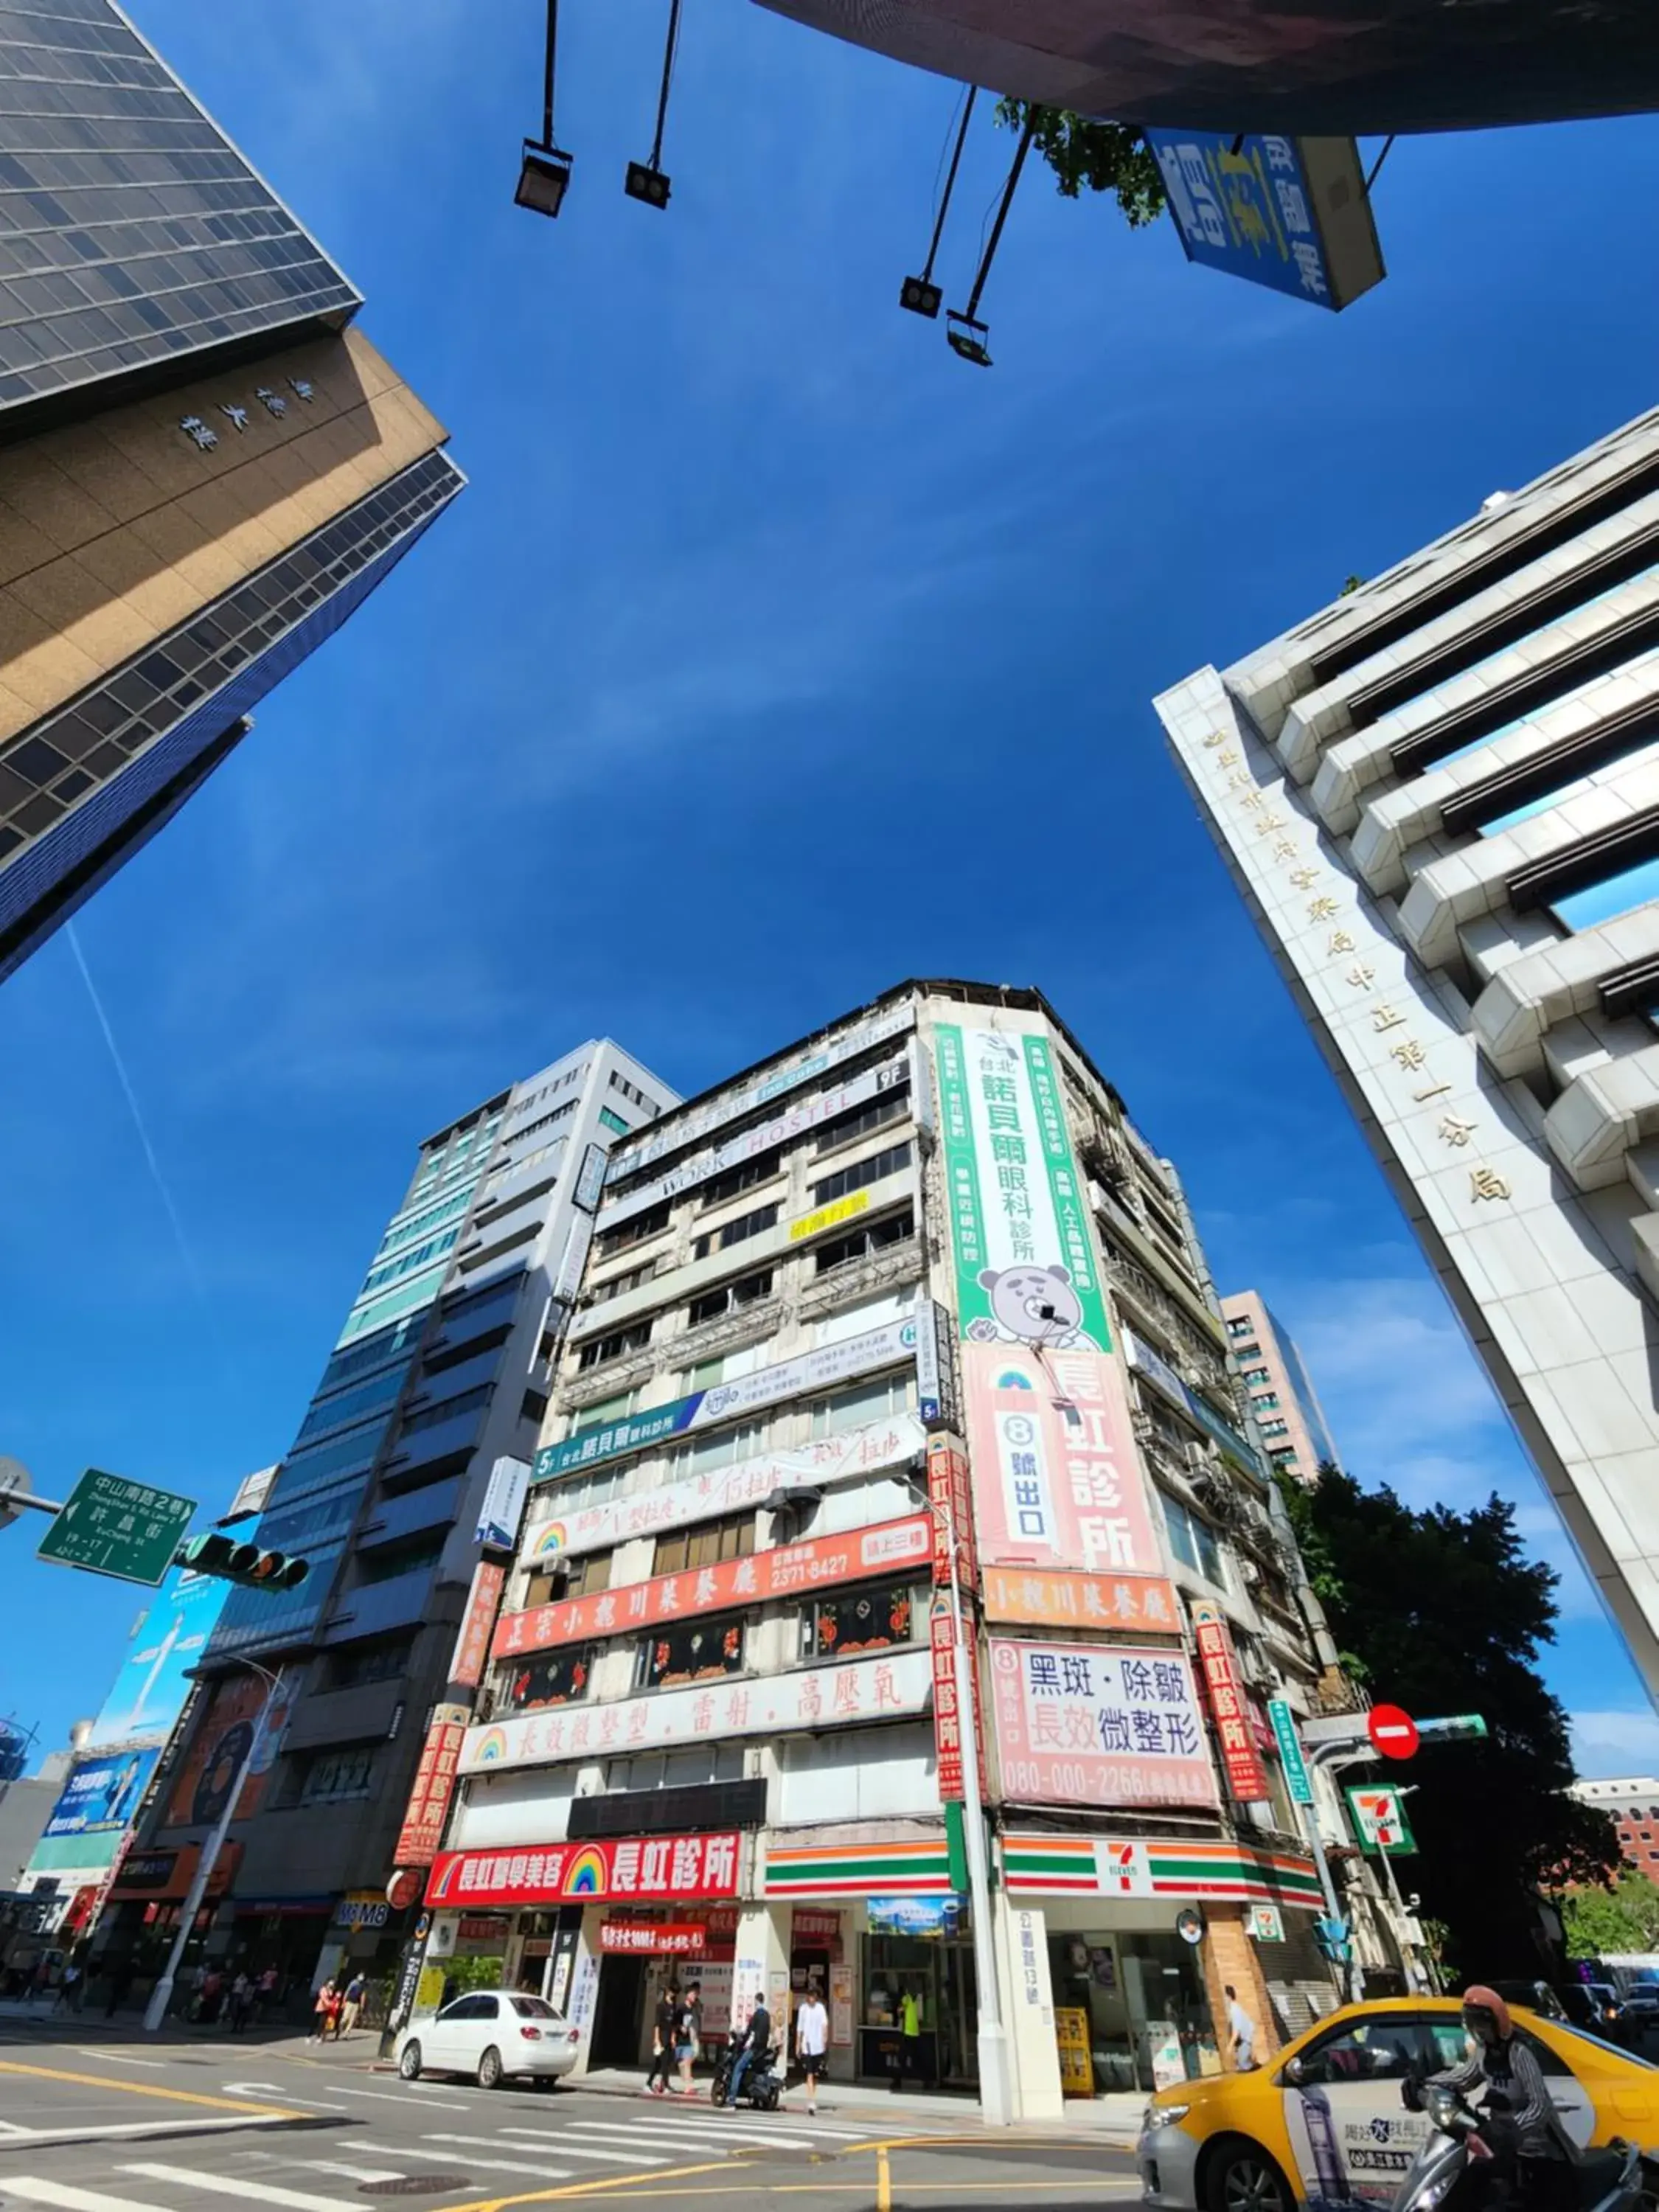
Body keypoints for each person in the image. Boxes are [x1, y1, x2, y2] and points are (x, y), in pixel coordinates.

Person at [1434, 1985, 1573, 2212]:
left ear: (1497, 2022)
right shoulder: (1484, 2053)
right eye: (1474, 2023)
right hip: (1501, 2147)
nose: (1479, 2029)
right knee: (1465, 2190)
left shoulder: (1519, 2053)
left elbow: (1540, 2105)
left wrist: (1511, 2128)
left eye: (1483, 2023)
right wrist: (1426, 2082)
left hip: (1537, 2149)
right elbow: (1464, 2077)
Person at [726, 1992, 771, 2109]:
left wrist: (742, 2041)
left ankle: (732, 2099)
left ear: (756, 2001)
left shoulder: (756, 2015)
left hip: (754, 2049)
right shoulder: (767, 2015)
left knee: (738, 2068)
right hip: (762, 2049)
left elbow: (749, 2033)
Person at [795, 1986, 829, 2116]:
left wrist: (825, 2041)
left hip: (818, 2046)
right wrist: (798, 2045)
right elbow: (800, 2028)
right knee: (809, 2074)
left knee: (815, 2075)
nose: (812, 1999)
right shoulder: (803, 2009)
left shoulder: (820, 2008)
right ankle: (811, 2100)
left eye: (814, 1997)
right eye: (810, 1997)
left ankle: (812, 2096)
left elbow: (825, 2025)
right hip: (807, 2045)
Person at [644, 1983, 678, 2097]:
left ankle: (650, 2083)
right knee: (663, 2063)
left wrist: (673, 2038)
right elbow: (657, 2024)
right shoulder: (661, 2006)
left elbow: (673, 2024)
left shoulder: (673, 2006)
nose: (673, 1994)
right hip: (662, 2036)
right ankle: (665, 2085)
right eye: (672, 1991)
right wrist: (656, 2039)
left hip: (669, 2036)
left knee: (660, 2063)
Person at [1225, 1984, 1258, 2071]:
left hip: (1244, 2042)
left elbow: (1236, 2031)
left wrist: (1230, 2046)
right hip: (1244, 2042)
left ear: (1228, 1997)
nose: (1224, 2000)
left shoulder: (1234, 2010)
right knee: (1242, 2066)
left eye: (1224, 1996)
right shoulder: (1236, 2008)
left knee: (1243, 2065)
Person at [677, 1981, 701, 2097]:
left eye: (695, 1994)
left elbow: (694, 2023)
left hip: (688, 2040)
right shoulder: (681, 2008)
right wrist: (679, 2027)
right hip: (678, 2040)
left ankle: (688, 2087)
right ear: (687, 1995)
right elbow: (673, 2021)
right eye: (692, 1994)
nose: (694, 1997)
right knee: (666, 2063)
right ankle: (663, 2082)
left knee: (688, 2062)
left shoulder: (694, 2008)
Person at [310, 1978, 338, 2043]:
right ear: (327, 1982)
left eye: (333, 1983)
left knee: (322, 2023)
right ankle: (312, 2034)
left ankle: (318, 2036)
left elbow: (333, 1998)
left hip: (326, 2009)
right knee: (315, 2022)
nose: (332, 1984)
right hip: (320, 2008)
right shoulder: (323, 1989)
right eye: (331, 1982)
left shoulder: (331, 1990)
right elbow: (324, 1998)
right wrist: (330, 2004)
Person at [339, 1972, 366, 2037]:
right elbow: (347, 1991)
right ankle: (340, 2027)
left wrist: (362, 2005)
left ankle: (346, 2034)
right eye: (361, 1976)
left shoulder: (362, 1985)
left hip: (356, 2004)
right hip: (349, 2002)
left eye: (363, 1976)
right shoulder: (353, 1983)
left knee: (352, 2019)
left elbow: (363, 1995)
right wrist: (344, 2001)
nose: (361, 1977)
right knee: (345, 2017)